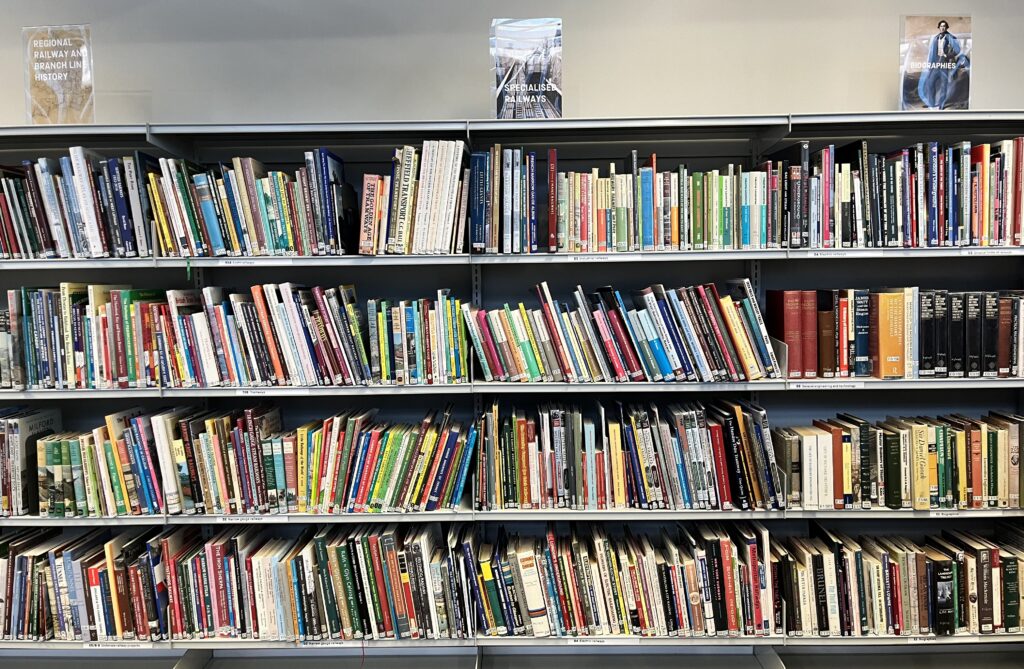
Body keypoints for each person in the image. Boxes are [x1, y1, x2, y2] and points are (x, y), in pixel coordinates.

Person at [917, 20, 968, 109]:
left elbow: (957, 51)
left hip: (945, 66)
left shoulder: (951, 38)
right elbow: (931, 53)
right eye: (941, 26)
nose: (942, 28)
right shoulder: (936, 38)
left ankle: (941, 106)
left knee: (944, 86)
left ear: (947, 27)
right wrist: (930, 65)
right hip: (935, 65)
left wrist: (946, 55)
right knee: (929, 84)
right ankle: (932, 105)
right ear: (939, 27)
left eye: (944, 26)